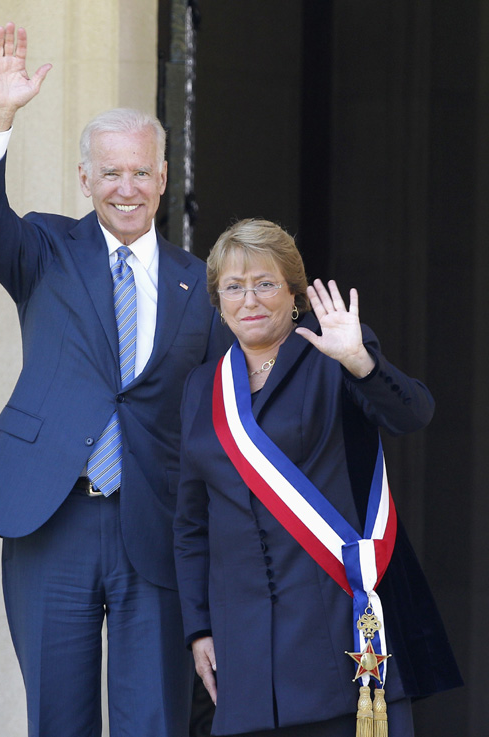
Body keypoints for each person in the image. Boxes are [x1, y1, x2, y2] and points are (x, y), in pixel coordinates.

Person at [0, 22, 230, 737]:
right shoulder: (45, 248)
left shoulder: (201, 286)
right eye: (111, 172)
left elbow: (234, 407)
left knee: (154, 722)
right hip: (54, 518)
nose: (127, 187)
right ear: (86, 178)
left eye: (142, 171)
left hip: (156, 523)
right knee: (60, 719)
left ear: (164, 177)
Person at [174, 219, 462, 737]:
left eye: (264, 283)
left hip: (336, 630)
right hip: (243, 644)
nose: (249, 300)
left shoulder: (333, 353)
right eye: (233, 288)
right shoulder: (203, 387)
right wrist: (199, 628)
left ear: (294, 293)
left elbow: (413, 415)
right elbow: (191, 524)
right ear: (218, 302)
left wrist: (358, 359)